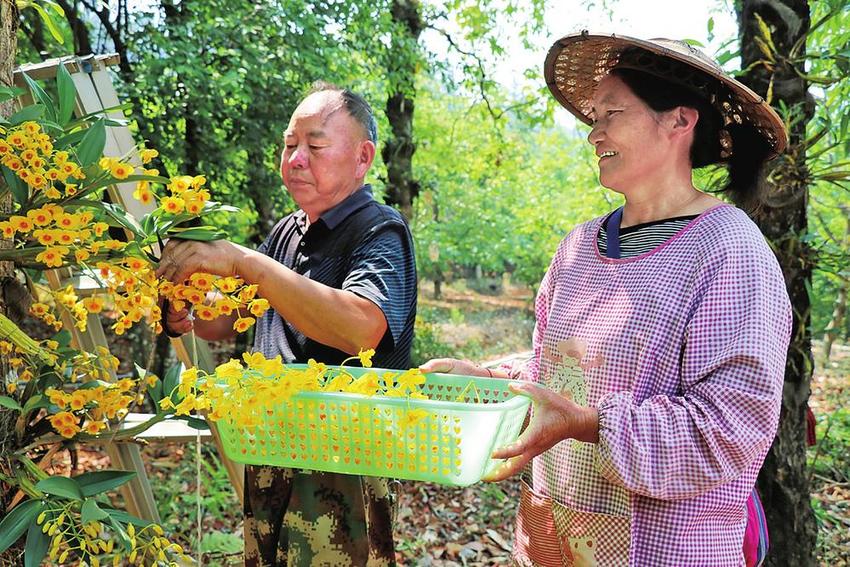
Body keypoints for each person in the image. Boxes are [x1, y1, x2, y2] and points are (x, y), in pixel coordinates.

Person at [422, 32, 790, 566]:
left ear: (679, 122)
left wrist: (587, 424)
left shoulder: (729, 252)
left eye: (611, 113)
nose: (594, 133)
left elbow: (733, 424)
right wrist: (491, 376)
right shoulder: (579, 247)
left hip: (667, 548)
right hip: (555, 534)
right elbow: (564, 368)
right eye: (593, 116)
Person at [157, 82, 417, 566]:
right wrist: (188, 305)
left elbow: (362, 328)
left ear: (363, 157)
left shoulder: (379, 229)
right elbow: (237, 320)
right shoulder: (287, 230)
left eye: (315, 146)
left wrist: (246, 263)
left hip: (343, 463)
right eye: (289, 144)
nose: (296, 159)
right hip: (272, 444)